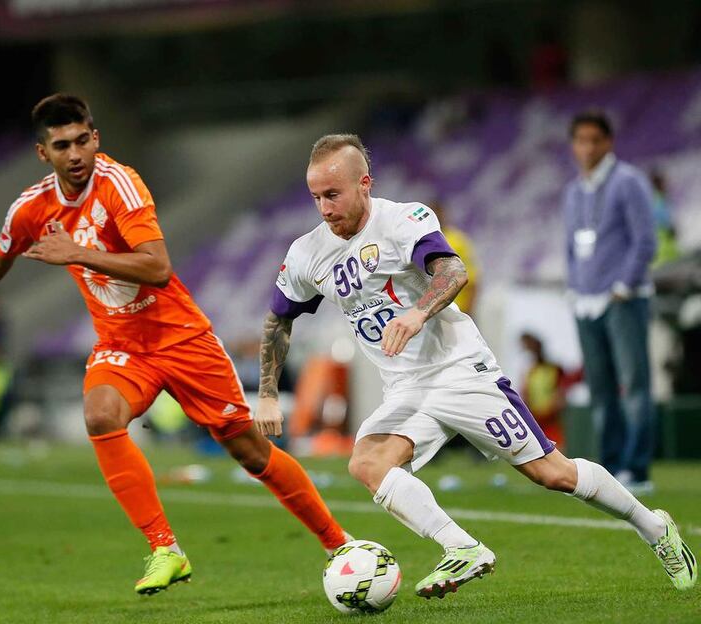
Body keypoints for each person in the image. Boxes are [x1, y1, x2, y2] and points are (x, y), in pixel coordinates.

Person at [0, 94, 349, 595]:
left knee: (250, 452)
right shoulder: (33, 207)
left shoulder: (120, 184)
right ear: (44, 153)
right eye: (62, 145)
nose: (75, 153)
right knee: (100, 415)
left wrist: (76, 252)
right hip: (122, 344)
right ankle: (166, 549)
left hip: (182, 338)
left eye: (83, 140)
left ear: (95, 137)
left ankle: (339, 542)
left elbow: (157, 267)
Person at [256, 134, 696, 599]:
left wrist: (417, 311)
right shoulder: (307, 253)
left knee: (553, 474)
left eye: (333, 194)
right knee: (367, 462)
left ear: (364, 184)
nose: (324, 208)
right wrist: (267, 392)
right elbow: (277, 320)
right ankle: (462, 548)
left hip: (460, 372)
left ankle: (654, 527)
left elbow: (453, 272)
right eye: (316, 197)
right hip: (406, 388)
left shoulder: (404, 219)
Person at [564, 110, 657, 494]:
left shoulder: (629, 182)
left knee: (634, 384)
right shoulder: (573, 191)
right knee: (600, 388)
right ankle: (612, 466)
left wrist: (624, 284)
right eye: (580, 140)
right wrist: (573, 285)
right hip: (585, 300)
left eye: (594, 140)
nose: (587, 148)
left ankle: (637, 469)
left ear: (608, 142)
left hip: (622, 298)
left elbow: (645, 240)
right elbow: (570, 246)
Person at [430, 200, 480, 316]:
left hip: (457, 309)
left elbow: (472, 280)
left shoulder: (457, 240)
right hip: (431, 311)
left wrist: (468, 310)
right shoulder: (422, 241)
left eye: (437, 213)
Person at [519, 332, 567, 448]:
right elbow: (525, 393)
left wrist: (551, 408)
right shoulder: (530, 371)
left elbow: (560, 394)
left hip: (551, 420)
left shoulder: (554, 369)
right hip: (535, 420)